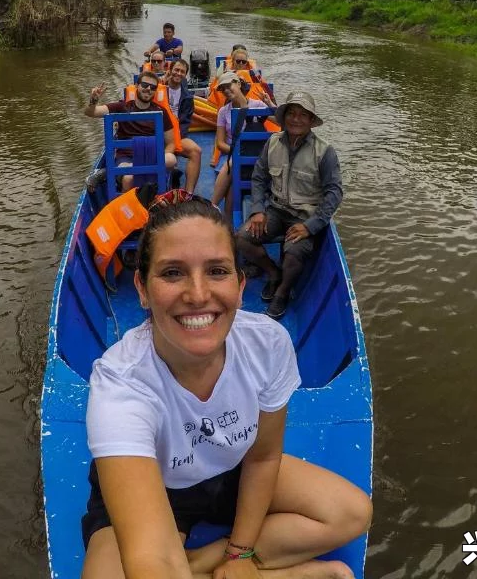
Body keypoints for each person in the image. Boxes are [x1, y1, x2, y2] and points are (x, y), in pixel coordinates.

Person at [81, 191, 372, 579]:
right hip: (155, 484)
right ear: (142, 289)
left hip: (230, 469)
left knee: (350, 513)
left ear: (239, 284)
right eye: (172, 273)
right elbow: (152, 558)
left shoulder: (267, 344)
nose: (198, 295)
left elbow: (263, 457)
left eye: (217, 271)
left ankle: (209, 563)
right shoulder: (122, 383)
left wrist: (239, 552)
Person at [235, 92, 342, 320]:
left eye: (303, 115)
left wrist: (310, 226)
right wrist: (257, 210)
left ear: (311, 121)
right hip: (275, 210)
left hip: (304, 217)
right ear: (284, 118)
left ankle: (282, 292)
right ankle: (273, 273)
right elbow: (259, 178)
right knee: (242, 238)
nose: (296, 119)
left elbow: (334, 193)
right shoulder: (272, 142)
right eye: (291, 114)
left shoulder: (324, 151)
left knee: (293, 252)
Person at [85, 71, 178, 191]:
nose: (148, 89)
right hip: (127, 157)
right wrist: (93, 100)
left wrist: (161, 156)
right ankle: (128, 205)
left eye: (153, 87)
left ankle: (107, 172)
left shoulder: (161, 111)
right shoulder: (122, 107)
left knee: (171, 159)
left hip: (151, 156)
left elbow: (171, 143)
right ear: (136, 86)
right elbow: (90, 113)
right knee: (129, 177)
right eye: (144, 85)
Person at [211, 72, 268, 212]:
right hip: (232, 152)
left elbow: (279, 121)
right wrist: (236, 151)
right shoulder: (223, 112)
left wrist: (269, 103)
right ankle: (227, 219)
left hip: (254, 152)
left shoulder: (258, 105)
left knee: (232, 164)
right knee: (232, 176)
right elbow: (220, 143)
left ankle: (212, 206)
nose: (225, 90)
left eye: (228, 85)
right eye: (222, 88)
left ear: (238, 83)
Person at [164, 59, 202, 192]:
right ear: (170, 70)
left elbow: (185, 123)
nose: (178, 73)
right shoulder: (158, 90)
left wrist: (173, 141)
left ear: (185, 75)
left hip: (177, 135)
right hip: (157, 133)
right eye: (176, 70)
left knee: (196, 151)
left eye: (182, 71)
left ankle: (188, 193)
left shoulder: (187, 97)